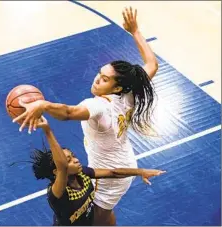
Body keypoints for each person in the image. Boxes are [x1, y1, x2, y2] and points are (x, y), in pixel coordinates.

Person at [13, 7, 159, 225]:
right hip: (123, 163)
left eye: (105, 79)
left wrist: (43, 104)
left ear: (117, 88)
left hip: (110, 177)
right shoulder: (130, 92)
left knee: (96, 221)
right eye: (99, 74)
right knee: (107, 212)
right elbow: (152, 65)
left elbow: (69, 112)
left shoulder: (97, 106)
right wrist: (135, 31)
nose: (97, 80)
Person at [30, 116, 165, 226]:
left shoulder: (83, 173)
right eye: (69, 160)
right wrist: (47, 130)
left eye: (73, 156)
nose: (76, 160)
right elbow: (62, 167)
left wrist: (140, 171)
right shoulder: (58, 193)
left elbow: (113, 173)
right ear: (56, 171)